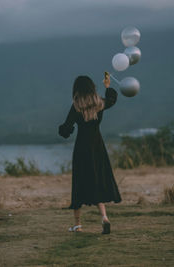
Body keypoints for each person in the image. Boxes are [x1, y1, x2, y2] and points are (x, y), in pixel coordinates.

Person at [58, 74, 122, 234]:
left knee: (79, 183)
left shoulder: (76, 105)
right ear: (92, 87)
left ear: (77, 89)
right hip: (97, 146)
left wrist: (66, 129)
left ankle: (78, 225)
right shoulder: (99, 103)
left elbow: (66, 129)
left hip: (82, 147)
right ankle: (104, 218)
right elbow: (112, 99)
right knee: (97, 180)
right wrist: (107, 86)